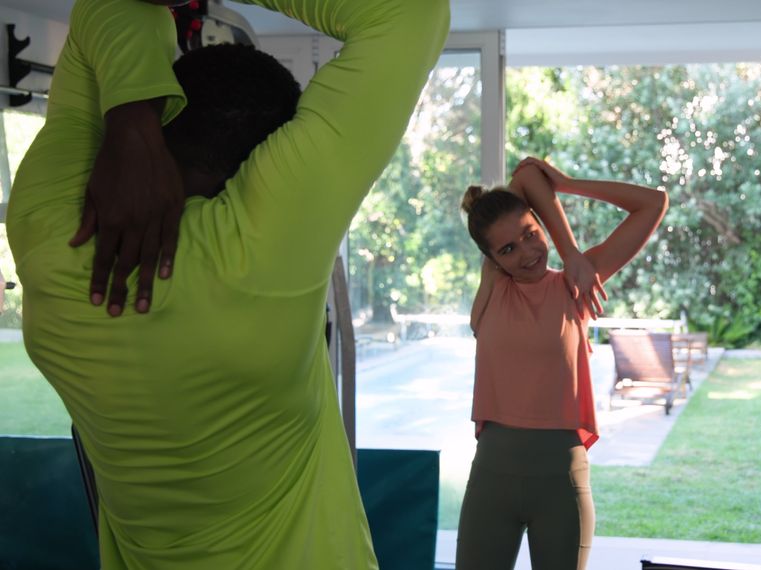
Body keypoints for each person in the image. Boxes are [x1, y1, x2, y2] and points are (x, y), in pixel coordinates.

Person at [5, 0, 448, 567]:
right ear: (265, 160)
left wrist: (132, 119)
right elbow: (412, 13)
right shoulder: (261, 246)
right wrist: (133, 118)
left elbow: (108, 7)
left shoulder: (51, 237)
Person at [455, 157, 668, 570]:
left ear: (541, 225)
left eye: (531, 234)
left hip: (561, 486)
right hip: (491, 482)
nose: (527, 252)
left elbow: (653, 203)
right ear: (493, 262)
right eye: (508, 249)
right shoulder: (492, 292)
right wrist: (556, 239)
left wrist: (570, 234)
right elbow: (525, 180)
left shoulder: (575, 285)